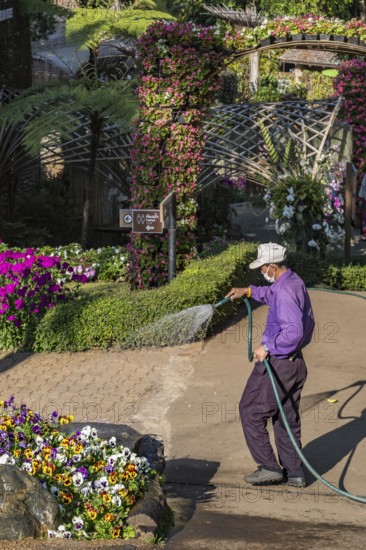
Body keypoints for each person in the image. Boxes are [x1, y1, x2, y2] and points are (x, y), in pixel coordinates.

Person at [226, 242, 315, 488]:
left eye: (263, 268)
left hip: (278, 364)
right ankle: (295, 472)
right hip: (295, 365)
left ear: (272, 267)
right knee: (285, 416)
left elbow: (293, 333)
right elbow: (270, 293)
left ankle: (269, 467)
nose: (261, 271)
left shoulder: (285, 292)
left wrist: (267, 347)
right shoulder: (291, 282)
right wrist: (248, 291)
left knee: (250, 410)